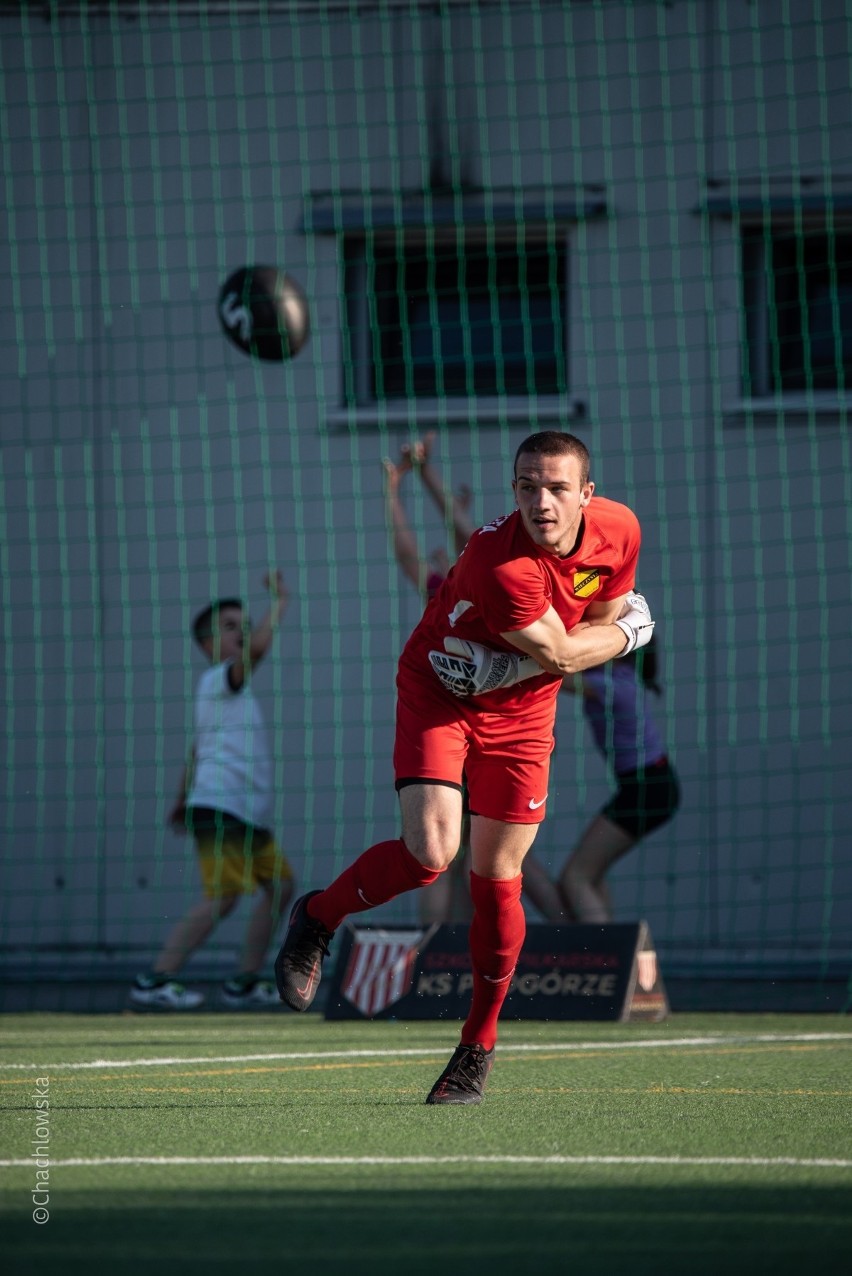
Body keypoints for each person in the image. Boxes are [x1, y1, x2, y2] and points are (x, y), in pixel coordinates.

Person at [275, 431, 654, 1104]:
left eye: (558, 487)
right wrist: (631, 631)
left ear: (586, 495)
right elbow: (572, 654)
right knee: (430, 853)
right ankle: (318, 917)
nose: (542, 500)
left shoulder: (620, 531)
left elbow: (589, 625)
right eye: (527, 486)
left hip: (524, 715)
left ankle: (476, 1049)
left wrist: (600, 635)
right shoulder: (498, 564)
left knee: (498, 878)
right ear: (514, 491)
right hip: (439, 694)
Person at [130, 572, 295, 1010]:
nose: (241, 630)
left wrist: (179, 799)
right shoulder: (221, 679)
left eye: (244, 623)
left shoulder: (225, 697)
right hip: (223, 809)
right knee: (224, 896)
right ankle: (154, 979)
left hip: (243, 813)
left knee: (279, 887)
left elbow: (196, 748)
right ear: (206, 644)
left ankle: (243, 980)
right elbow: (258, 649)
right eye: (229, 626)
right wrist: (279, 603)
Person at [521, 636, 681, 923]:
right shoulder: (616, 675)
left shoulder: (612, 685)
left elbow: (556, 673)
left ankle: (604, 958)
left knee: (576, 877)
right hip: (647, 785)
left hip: (648, 788)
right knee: (590, 876)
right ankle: (610, 948)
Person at [382, 433, 475, 924]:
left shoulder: (481, 575)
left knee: (472, 858)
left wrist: (417, 478)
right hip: (464, 726)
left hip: (483, 725)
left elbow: (457, 530)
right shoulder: (448, 596)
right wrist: (399, 486)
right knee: (455, 855)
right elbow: (408, 551)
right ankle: (440, 956)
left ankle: (448, 954)